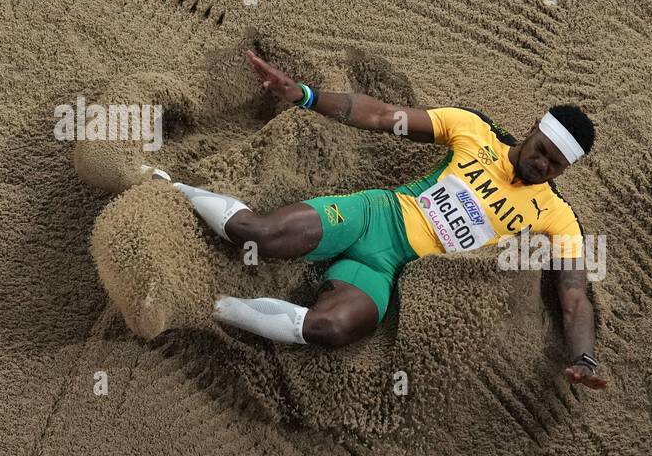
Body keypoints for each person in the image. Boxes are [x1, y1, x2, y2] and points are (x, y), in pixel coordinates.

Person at [159, 50, 606, 390]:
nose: (542, 165)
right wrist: (306, 95)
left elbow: (574, 299)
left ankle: (207, 308)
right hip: (372, 215)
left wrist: (584, 358)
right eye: (541, 151)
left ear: (565, 170)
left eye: (555, 165)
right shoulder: (473, 130)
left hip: (387, 266)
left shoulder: (558, 217)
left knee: (330, 328)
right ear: (533, 130)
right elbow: (380, 116)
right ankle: (169, 187)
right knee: (257, 233)